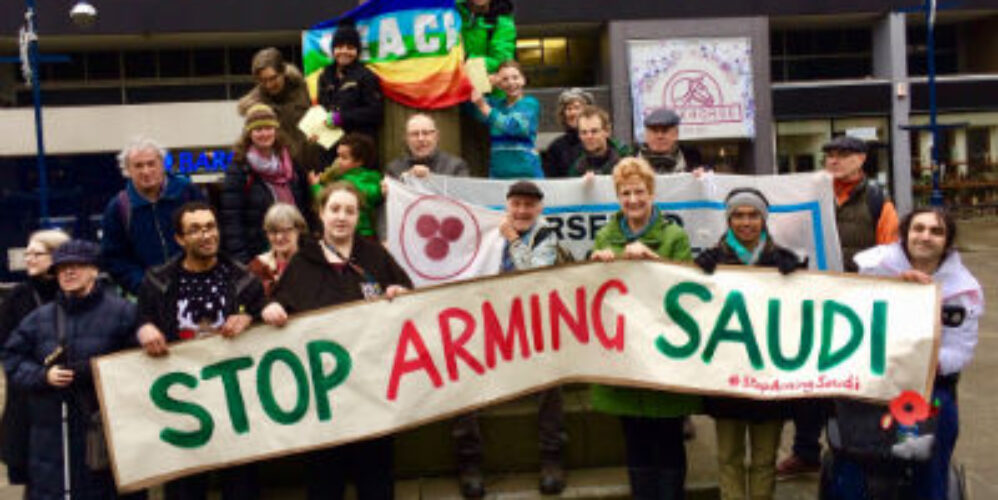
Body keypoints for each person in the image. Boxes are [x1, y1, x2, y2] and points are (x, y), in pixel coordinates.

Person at [261, 182, 412, 500]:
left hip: (373, 390)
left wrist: (401, 294)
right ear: (320, 214)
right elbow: (278, 302)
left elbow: (407, 293)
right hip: (322, 397)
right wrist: (271, 308)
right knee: (324, 480)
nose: (341, 217)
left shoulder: (375, 256)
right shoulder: (302, 262)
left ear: (359, 217)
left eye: (350, 210)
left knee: (376, 477)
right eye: (334, 209)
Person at [778, 134, 900, 478]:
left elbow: (891, 254)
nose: (833, 161)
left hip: (854, 308)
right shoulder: (807, 195)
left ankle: (853, 450)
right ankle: (805, 450)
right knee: (807, 383)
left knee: (849, 383)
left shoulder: (877, 201)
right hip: (812, 304)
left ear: (861, 160)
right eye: (829, 155)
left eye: (843, 155)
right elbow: (785, 235)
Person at [850, 207, 983, 499]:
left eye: (936, 232)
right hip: (871, 380)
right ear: (905, 234)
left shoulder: (964, 290)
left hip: (929, 386)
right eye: (918, 229)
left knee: (933, 452)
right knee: (851, 451)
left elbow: (959, 352)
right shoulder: (872, 268)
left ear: (947, 242)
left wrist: (918, 360)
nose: (925, 236)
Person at [135, 201, 265, 500]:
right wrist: (144, 329)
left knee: (242, 487)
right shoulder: (158, 281)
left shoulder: (243, 277)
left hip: (235, 405)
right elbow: (141, 318)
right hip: (184, 404)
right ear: (180, 239)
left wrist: (251, 318)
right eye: (195, 230)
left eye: (210, 227)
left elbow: (267, 315)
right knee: (184, 491)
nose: (206, 235)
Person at [589, 157, 700, 498]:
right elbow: (594, 296)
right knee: (635, 439)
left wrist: (656, 261)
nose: (633, 200)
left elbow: (691, 289)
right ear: (617, 196)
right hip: (624, 356)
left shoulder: (673, 235)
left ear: (651, 193)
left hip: (665, 353)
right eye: (625, 193)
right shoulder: (605, 236)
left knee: (667, 439)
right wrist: (594, 265)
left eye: (639, 192)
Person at [3, 240, 142, 499]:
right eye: (61, 268)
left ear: (94, 270)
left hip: (106, 434)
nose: (68, 272)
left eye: (77, 265)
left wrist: (91, 372)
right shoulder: (39, 319)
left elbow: (137, 365)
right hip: (51, 439)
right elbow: (12, 359)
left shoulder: (125, 313)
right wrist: (42, 376)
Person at [454, 181, 566, 498]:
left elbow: (534, 276)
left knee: (550, 376)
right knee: (460, 371)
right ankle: (469, 461)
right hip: (487, 324)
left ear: (539, 208)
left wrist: (514, 240)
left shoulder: (545, 236)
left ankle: (552, 457)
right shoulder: (488, 232)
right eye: (516, 204)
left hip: (530, 325)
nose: (522, 211)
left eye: (529, 205)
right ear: (506, 206)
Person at [694, 188, 804, 500]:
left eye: (753, 215)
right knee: (728, 456)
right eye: (738, 215)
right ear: (728, 220)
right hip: (727, 376)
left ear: (763, 219)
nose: (746, 222)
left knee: (764, 459)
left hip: (769, 378)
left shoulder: (784, 261)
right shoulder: (709, 262)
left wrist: (797, 277)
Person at [0, 229, 70, 487]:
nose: (29, 259)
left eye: (37, 254)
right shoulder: (17, 297)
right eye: (27, 254)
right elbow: (8, 351)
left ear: (57, 256)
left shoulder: (74, 294)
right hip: (29, 401)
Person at [100, 137, 204, 295]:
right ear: (127, 170)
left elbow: (211, 235)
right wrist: (144, 286)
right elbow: (115, 258)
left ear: (162, 164)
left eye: (151, 163)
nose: (146, 171)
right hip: (149, 295)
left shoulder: (188, 192)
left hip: (197, 284)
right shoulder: (118, 207)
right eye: (138, 166)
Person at [221, 103, 316, 263]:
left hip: (296, 249)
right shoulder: (240, 168)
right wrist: (243, 261)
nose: (264, 133)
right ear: (249, 133)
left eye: (268, 128)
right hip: (259, 253)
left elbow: (305, 207)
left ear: (276, 130)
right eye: (258, 129)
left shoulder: (291, 161)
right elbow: (231, 220)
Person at [236, 47, 319, 169]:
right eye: (263, 80)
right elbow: (245, 143)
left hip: (316, 168)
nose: (269, 85)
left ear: (283, 71)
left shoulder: (306, 89)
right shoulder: (256, 106)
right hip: (282, 175)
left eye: (273, 78)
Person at [469, 60, 543, 178]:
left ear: (523, 80)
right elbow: (472, 108)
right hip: (498, 174)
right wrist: (486, 83)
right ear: (499, 84)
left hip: (526, 174)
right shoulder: (496, 105)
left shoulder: (530, 103)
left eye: (515, 77)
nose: (511, 82)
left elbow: (514, 127)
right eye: (505, 79)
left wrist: (483, 106)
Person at [317, 21, 383, 151]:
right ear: (333, 49)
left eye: (350, 47)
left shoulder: (366, 76)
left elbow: (375, 113)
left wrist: (343, 117)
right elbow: (321, 109)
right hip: (330, 146)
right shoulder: (325, 76)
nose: (344, 51)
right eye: (340, 47)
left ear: (357, 51)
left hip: (358, 148)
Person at [313, 133, 383, 240]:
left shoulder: (346, 182)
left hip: (357, 233)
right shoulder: (373, 178)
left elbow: (325, 197)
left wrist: (314, 186)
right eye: (338, 156)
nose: (338, 161)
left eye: (344, 157)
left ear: (359, 162)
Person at [386, 113, 470, 179]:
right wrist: (406, 179)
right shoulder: (394, 169)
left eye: (426, 133)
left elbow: (461, 198)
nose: (421, 139)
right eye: (414, 134)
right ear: (406, 139)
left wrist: (432, 179)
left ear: (436, 136)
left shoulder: (456, 166)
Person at [248, 203, 307, 297]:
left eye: (285, 230)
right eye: (273, 231)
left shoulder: (313, 261)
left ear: (298, 229)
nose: (279, 237)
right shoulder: (258, 266)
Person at [542, 87, 595, 178]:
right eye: (569, 109)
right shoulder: (556, 147)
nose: (573, 113)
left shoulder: (600, 141)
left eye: (577, 108)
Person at [637, 108, 704, 174]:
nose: (659, 136)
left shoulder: (691, 160)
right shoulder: (632, 161)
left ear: (676, 134)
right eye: (655, 131)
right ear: (646, 135)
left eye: (665, 131)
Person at [568, 106, 631, 177]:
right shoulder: (577, 168)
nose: (589, 136)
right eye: (584, 132)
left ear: (607, 131)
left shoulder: (627, 157)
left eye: (594, 131)